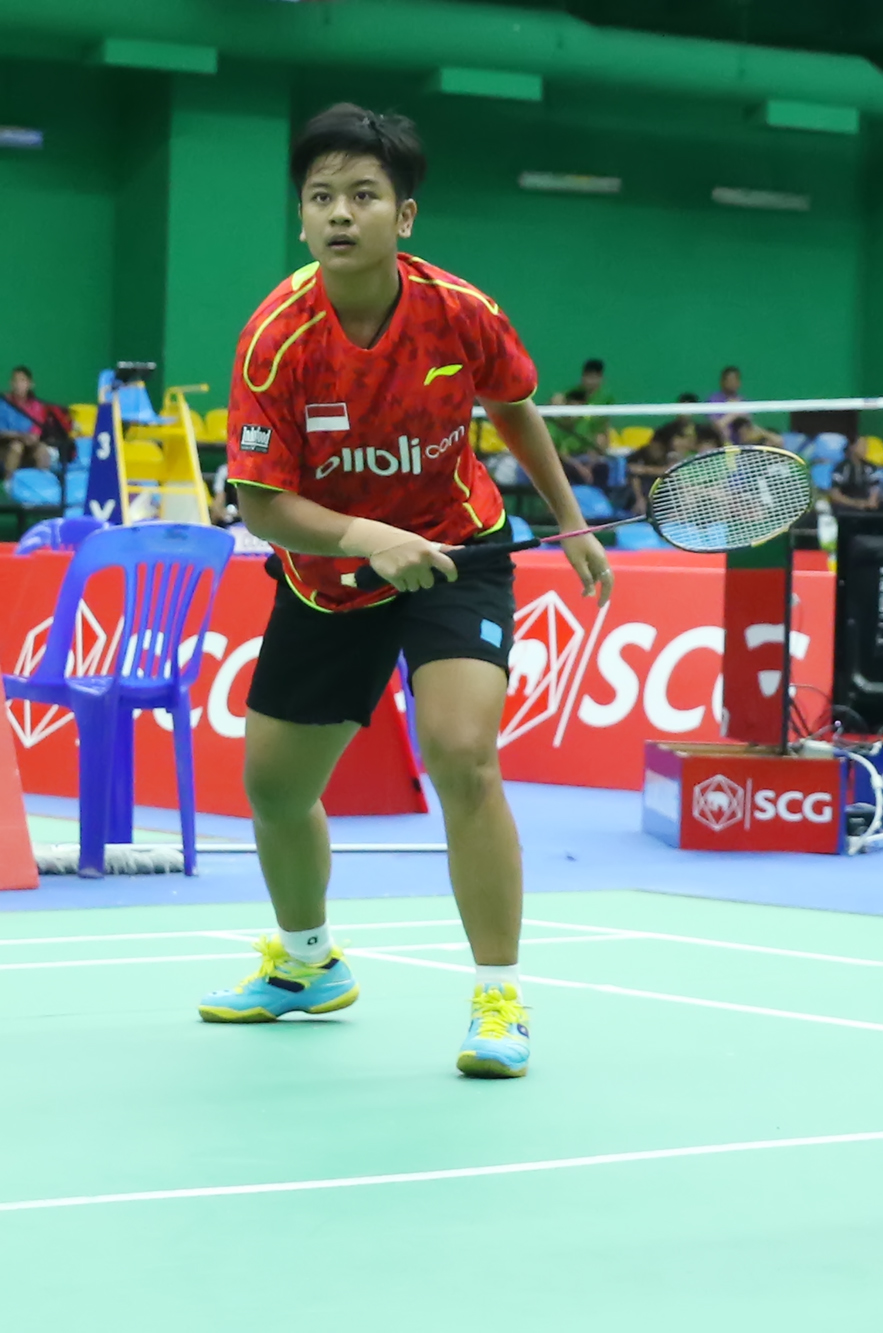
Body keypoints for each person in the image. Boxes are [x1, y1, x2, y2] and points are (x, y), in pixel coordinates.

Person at [200, 103, 613, 1081]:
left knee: (464, 754)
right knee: (275, 790)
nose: (340, 213)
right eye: (320, 197)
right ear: (302, 217)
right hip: (328, 576)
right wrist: (364, 539)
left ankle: (499, 996)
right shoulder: (275, 340)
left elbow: (513, 406)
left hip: (456, 551)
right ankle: (307, 964)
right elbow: (260, 503)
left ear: (405, 214)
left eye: (363, 195)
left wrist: (570, 518)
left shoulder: (460, 311)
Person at [549, 358, 611, 484]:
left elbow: (600, 436)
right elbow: (559, 452)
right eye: (588, 377)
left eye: (595, 377)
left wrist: (590, 466)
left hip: (586, 457)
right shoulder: (557, 424)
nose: (591, 381)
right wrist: (579, 468)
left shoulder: (605, 401)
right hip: (566, 460)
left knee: (602, 469)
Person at [2, 366, 74, 471]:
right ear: (11, 383)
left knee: (42, 451)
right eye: (15, 381)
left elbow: (35, 435)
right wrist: (19, 436)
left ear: (30, 384)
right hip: (5, 446)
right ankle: (9, 480)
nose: (19, 385)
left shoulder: (37, 406)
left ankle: (43, 481)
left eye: (22, 381)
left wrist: (31, 439)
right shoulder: (3, 403)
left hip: (29, 446)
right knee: (16, 447)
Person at [827, 434, 883, 512]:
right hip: (846, 507)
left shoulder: (871, 468)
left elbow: (874, 491)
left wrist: (870, 502)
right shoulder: (841, 468)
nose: (865, 449)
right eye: (862, 446)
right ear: (852, 447)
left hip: (865, 507)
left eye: (866, 446)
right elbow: (835, 494)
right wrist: (855, 503)